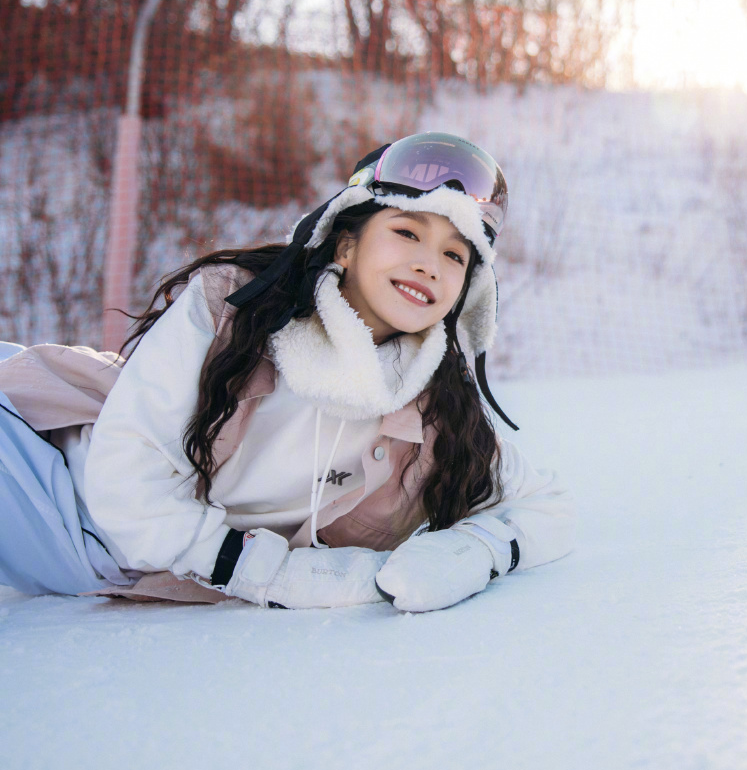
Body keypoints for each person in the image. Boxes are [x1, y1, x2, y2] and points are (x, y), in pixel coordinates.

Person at [0, 132, 574, 612]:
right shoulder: (231, 306)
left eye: (455, 255)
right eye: (407, 232)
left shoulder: (438, 413)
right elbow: (127, 489)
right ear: (345, 245)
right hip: (40, 473)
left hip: (100, 568)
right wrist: (268, 575)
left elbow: (546, 505)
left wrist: (476, 551)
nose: (430, 262)